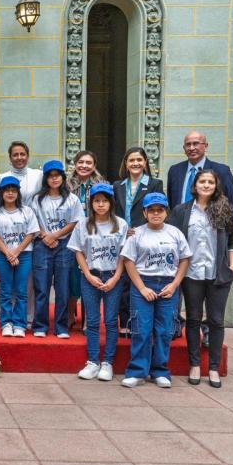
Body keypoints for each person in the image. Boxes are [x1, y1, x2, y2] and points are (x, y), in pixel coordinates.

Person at [169, 170, 233, 388]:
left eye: (210, 182)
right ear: (195, 185)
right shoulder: (182, 211)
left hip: (218, 275)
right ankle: (195, 365)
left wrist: (231, 267)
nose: (206, 185)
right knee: (193, 319)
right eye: (202, 181)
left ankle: (214, 368)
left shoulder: (226, 210)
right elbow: (172, 238)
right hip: (191, 274)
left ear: (216, 186)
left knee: (216, 321)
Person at [120, 192, 192, 388]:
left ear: (166, 212)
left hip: (168, 284)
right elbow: (128, 261)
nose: (156, 214)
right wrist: (142, 288)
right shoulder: (137, 233)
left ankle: (160, 371)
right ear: (144, 212)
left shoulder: (175, 233)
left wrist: (175, 284)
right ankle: (137, 371)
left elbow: (185, 259)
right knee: (141, 329)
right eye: (151, 210)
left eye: (160, 210)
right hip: (143, 284)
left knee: (164, 330)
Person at [68, 184, 127, 381]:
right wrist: (88, 275)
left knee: (110, 321)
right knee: (92, 321)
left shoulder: (121, 224)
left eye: (105, 200)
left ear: (111, 202)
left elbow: (124, 255)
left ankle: (107, 362)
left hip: (113, 276)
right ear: (91, 203)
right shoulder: (83, 224)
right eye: (97, 201)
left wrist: (116, 277)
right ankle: (93, 361)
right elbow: (78, 251)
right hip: (90, 276)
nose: (101, 205)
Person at [114, 147, 164, 337]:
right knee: (122, 282)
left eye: (139, 160)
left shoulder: (154, 184)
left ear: (145, 163)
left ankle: (142, 323)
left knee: (141, 279)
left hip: (145, 238)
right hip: (122, 239)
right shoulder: (117, 185)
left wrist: (141, 228)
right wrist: (122, 230)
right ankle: (125, 321)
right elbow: (114, 212)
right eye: (131, 160)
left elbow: (158, 210)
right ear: (126, 164)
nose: (135, 163)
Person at [31, 160, 84, 338]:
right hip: (41, 244)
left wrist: (55, 236)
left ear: (63, 177)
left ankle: (61, 327)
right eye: (51, 176)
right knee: (42, 287)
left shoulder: (71, 199)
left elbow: (76, 221)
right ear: (46, 178)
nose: (54, 179)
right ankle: (40, 325)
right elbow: (33, 221)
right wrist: (45, 236)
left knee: (63, 288)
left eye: (57, 175)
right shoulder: (37, 199)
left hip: (65, 245)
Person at [0, 176, 39, 338]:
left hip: (24, 255)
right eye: (7, 190)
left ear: (18, 193)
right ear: (1, 193)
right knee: (6, 290)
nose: (10, 193)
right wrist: (8, 253)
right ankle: (6, 323)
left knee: (22, 291)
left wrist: (16, 252)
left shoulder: (27, 211)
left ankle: (20, 324)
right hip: (2, 255)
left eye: (13, 190)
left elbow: (31, 233)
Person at [0, 141, 43, 328]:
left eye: (22, 154)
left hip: (32, 229)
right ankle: (10, 319)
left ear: (28, 155)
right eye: (15, 155)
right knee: (9, 283)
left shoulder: (38, 175)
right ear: (10, 158)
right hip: (9, 231)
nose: (19, 158)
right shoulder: (4, 176)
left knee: (28, 280)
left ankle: (27, 317)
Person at [67, 150, 109, 329]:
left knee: (91, 275)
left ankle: (88, 319)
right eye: (81, 162)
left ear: (94, 166)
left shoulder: (102, 184)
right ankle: (69, 314)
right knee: (71, 276)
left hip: (95, 236)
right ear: (75, 164)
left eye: (88, 163)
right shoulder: (66, 184)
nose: (84, 166)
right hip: (71, 234)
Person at [167, 130, 233, 209]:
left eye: (195, 143)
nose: (191, 148)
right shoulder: (175, 171)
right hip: (179, 220)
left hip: (210, 219)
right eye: (188, 144)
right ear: (184, 148)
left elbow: (230, 203)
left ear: (206, 146)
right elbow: (171, 202)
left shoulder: (222, 171)